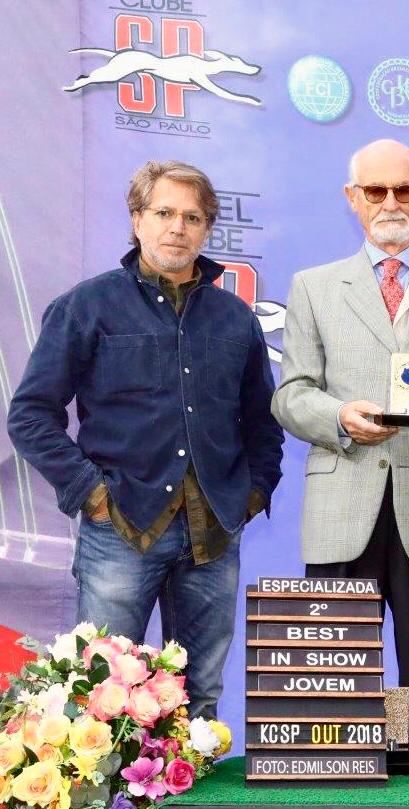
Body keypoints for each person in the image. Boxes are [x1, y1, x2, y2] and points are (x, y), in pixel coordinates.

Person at [7, 160, 284, 719]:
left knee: (200, 699)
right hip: (120, 528)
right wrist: (92, 493)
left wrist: (252, 493)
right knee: (102, 696)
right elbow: (30, 415)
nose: (177, 227)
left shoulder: (235, 319)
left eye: (192, 217)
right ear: (137, 220)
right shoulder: (86, 307)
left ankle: (193, 778)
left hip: (214, 533)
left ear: (207, 229)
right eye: (163, 213)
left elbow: (263, 422)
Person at [271, 139, 409, 756]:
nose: (390, 202)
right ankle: (345, 776)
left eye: (403, 189)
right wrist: (339, 417)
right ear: (353, 198)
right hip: (343, 501)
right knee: (339, 670)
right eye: (376, 190)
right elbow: (291, 394)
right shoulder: (313, 288)